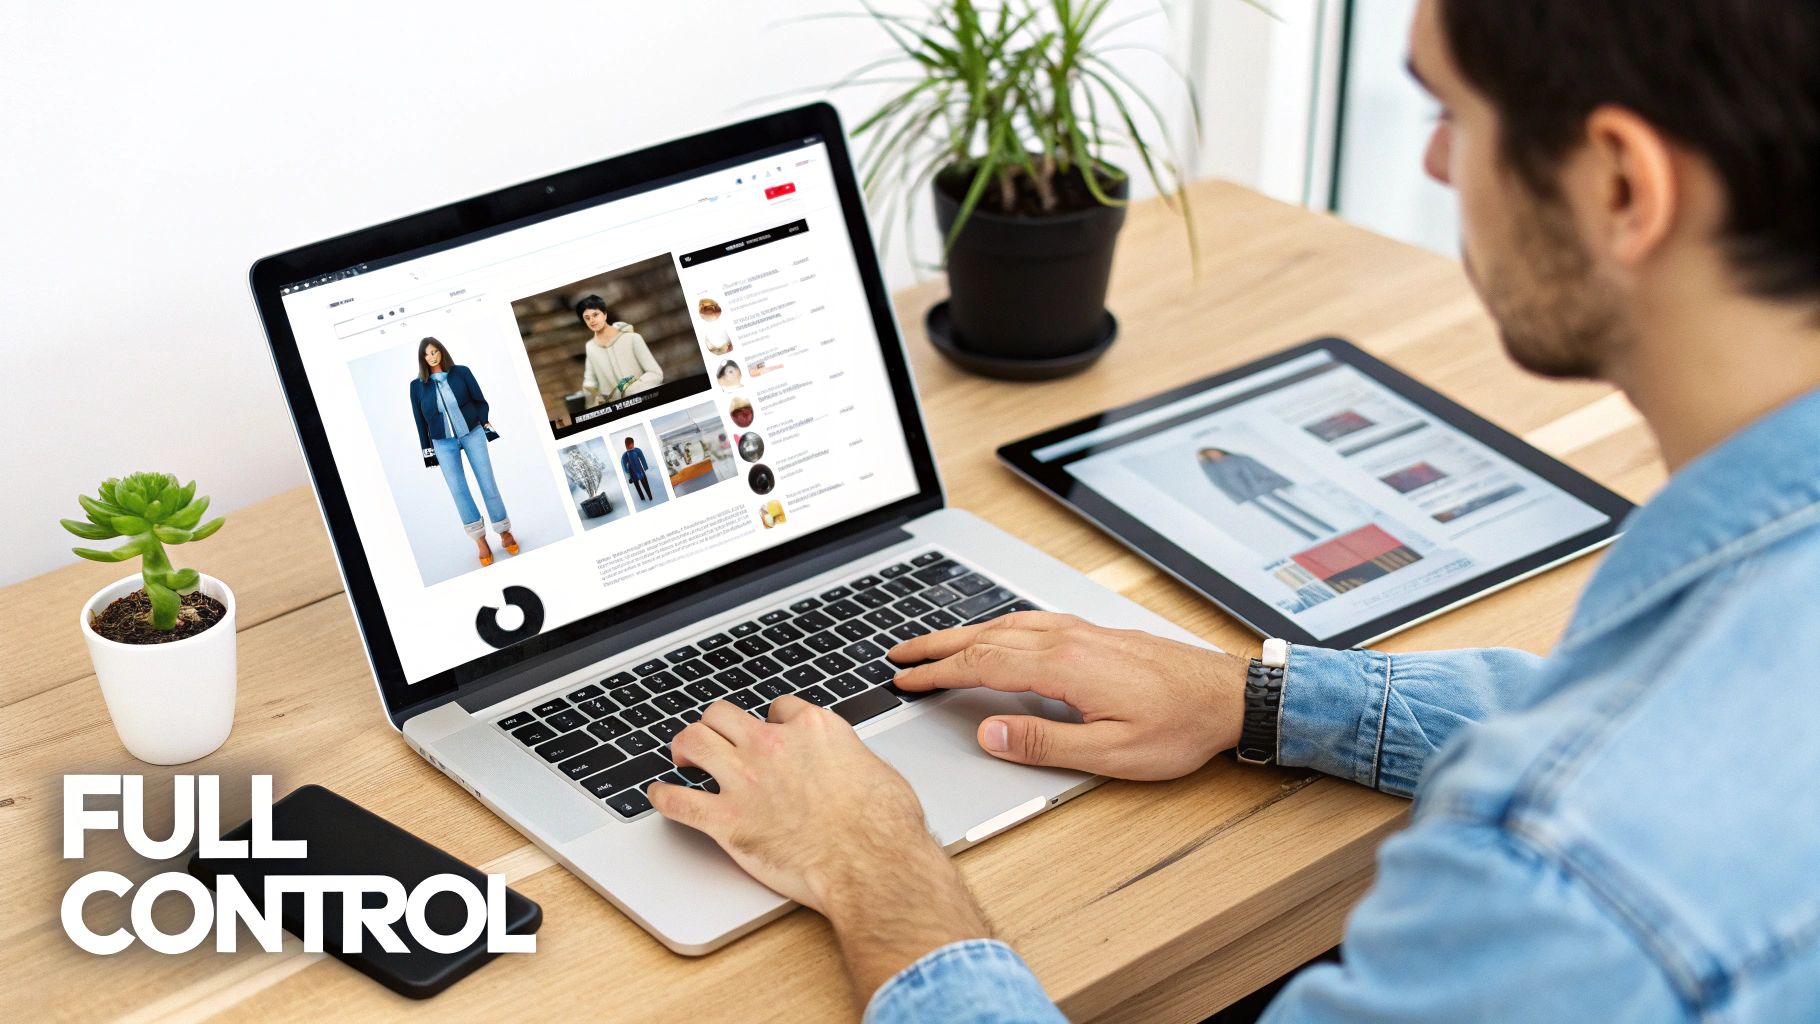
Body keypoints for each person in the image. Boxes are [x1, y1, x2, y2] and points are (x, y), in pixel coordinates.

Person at [647, 1, 1820, 1020]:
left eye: (1449, 114)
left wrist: (869, 864)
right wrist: (1251, 695)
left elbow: (1611, 792)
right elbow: (1616, 715)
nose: (1432, 169)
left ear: (1620, 184)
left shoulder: (1574, 881)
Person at [409, 338, 518, 567]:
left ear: (441, 352)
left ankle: (503, 531)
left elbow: (480, 400)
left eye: (435, 351)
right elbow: (420, 421)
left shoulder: (461, 372)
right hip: (442, 443)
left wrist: (482, 422)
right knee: (458, 490)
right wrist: (427, 450)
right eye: (427, 354)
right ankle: (479, 540)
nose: (432, 357)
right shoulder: (417, 386)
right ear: (422, 358)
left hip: (472, 433)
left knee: (487, 483)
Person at [1196, 447, 1335, 541]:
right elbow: (1218, 483)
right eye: (1210, 455)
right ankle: (1310, 536)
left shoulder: (1238, 458)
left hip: (1263, 485)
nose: (1215, 455)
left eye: (1214, 452)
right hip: (1246, 494)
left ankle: (1328, 528)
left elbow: (1259, 468)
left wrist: (1277, 480)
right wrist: (1203, 462)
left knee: (1293, 508)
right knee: (1277, 516)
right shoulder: (1212, 468)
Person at [577, 295, 663, 404]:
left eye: (595, 315)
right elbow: (590, 383)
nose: (592, 320)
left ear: (604, 314)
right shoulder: (590, 347)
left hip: (645, 399)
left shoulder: (632, 338)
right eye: (587, 318)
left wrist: (628, 389)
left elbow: (655, 373)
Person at [621, 436, 653, 503]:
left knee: (645, 484)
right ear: (625, 445)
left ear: (633, 443)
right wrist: (628, 475)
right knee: (637, 487)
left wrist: (645, 466)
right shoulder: (625, 455)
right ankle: (642, 499)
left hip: (640, 471)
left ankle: (650, 497)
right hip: (633, 473)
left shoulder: (637, 450)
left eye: (630, 444)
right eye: (627, 445)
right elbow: (624, 465)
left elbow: (642, 458)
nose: (629, 446)